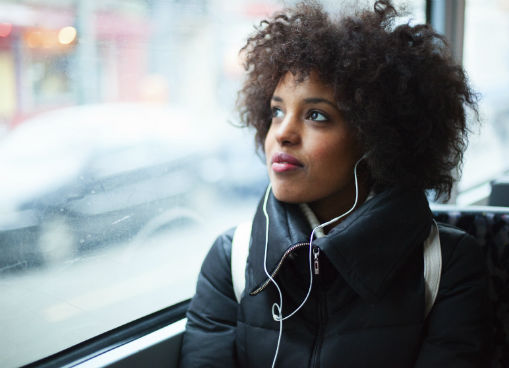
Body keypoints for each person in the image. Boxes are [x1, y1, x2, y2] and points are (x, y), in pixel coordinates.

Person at [180, 1, 491, 367]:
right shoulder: (232, 258)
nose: (282, 133)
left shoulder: (446, 265)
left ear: (377, 137)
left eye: (316, 116)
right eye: (277, 110)